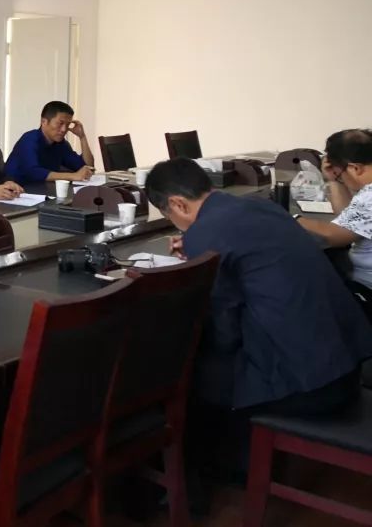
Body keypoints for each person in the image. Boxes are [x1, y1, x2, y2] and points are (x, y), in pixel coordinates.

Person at [144, 158, 372, 476]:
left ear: (177, 204)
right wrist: (203, 250)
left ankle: (212, 478)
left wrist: (201, 253)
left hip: (311, 389)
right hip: (347, 366)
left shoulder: (206, 233)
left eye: (169, 216)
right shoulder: (262, 207)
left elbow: (225, 334)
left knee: (184, 375)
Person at [297, 128, 372, 291]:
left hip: (365, 287)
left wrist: (292, 218)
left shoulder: (369, 196)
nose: (341, 178)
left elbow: (333, 236)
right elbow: (348, 220)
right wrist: (334, 179)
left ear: (356, 168)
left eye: (340, 174)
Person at [4, 100, 95, 185]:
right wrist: (73, 176)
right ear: (44, 122)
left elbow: (87, 167)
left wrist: (82, 137)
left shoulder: (61, 144)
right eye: (60, 123)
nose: (64, 129)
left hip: (42, 189)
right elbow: (33, 172)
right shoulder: (29, 139)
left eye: (67, 125)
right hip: (17, 189)